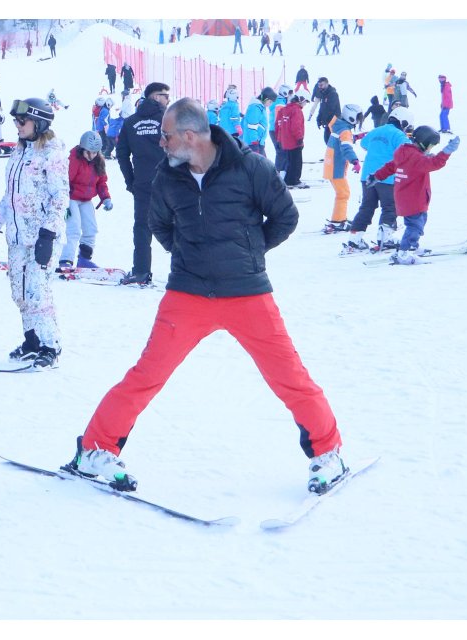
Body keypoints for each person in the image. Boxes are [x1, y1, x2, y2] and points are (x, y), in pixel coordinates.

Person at [65, 97, 348, 497]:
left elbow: (286, 217)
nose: (160, 143)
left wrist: (248, 253)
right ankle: (94, 450)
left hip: (247, 293)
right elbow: (159, 226)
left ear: (190, 135)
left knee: (290, 378)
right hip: (187, 294)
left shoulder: (250, 167)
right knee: (147, 375)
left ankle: (328, 452)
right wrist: (189, 257)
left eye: (166, 135)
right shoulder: (168, 176)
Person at [0, 97, 67, 369]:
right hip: (17, 238)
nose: (17, 125)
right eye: (16, 121)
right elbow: (11, 196)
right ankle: (32, 341)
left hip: (41, 238)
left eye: (22, 121)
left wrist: (48, 234)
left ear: (39, 123)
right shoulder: (19, 152)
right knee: (19, 292)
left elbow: (60, 198)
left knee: (38, 293)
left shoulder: (52, 154)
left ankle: (50, 345)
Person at [368, 127, 460, 264]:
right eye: (431, 146)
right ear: (424, 143)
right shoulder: (416, 158)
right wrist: (448, 150)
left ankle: (412, 246)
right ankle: (405, 252)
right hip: (414, 199)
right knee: (415, 226)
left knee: (418, 222)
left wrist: (376, 176)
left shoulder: (405, 154)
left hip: (408, 198)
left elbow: (390, 167)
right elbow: (434, 163)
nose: (430, 149)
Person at [114, 83, 171, 286]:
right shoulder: (168, 120)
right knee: (181, 225)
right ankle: (187, 272)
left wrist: (131, 180)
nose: (168, 100)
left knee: (142, 228)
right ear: (155, 97)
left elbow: (121, 154)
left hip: (144, 183)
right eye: (165, 96)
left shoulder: (130, 122)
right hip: (171, 183)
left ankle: (140, 272)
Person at [344, 106, 411, 253]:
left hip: (367, 176)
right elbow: (408, 151)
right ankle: (385, 238)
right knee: (390, 207)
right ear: (403, 122)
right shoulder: (399, 135)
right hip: (387, 177)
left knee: (366, 207)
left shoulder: (376, 130)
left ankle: (354, 239)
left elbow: (363, 144)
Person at [62, 131, 113, 270]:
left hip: (86, 200)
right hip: (71, 198)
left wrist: (106, 198)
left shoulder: (98, 162)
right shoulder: (74, 160)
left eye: (95, 153)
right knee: (73, 228)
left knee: (91, 229)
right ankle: (65, 259)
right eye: (89, 152)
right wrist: (63, 203)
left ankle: (84, 259)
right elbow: (64, 181)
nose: (92, 156)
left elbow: (101, 182)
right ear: (82, 149)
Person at [323, 104, 363, 233]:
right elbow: (346, 147)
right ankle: (338, 221)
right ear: (351, 117)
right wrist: (355, 161)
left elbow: (343, 139)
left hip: (332, 165)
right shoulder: (345, 131)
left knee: (342, 193)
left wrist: (355, 137)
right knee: (343, 193)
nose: (358, 121)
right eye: (358, 118)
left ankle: (339, 218)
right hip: (336, 167)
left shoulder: (339, 126)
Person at [277, 89, 310, 187]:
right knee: (297, 162)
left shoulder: (285, 109)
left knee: (290, 161)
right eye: (306, 102)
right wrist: (299, 138)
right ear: (301, 99)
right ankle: (295, 180)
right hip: (294, 141)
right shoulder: (297, 110)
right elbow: (295, 126)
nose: (305, 104)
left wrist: (279, 138)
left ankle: (289, 179)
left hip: (286, 141)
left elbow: (279, 124)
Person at [243, 87, 278, 159]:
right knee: (258, 167)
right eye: (270, 102)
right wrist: (254, 143)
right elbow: (252, 127)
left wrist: (261, 142)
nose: (270, 104)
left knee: (262, 166)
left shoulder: (261, 107)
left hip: (258, 142)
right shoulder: (255, 108)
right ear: (266, 99)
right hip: (253, 144)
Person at [269, 85, 291, 177]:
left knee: (281, 152)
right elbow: (279, 120)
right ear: (285, 93)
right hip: (277, 131)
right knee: (281, 153)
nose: (290, 95)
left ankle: (279, 173)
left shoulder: (279, 101)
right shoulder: (280, 103)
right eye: (289, 93)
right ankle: (278, 174)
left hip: (275, 130)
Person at [314, 78, 341, 143]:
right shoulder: (323, 94)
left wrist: (324, 120)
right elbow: (322, 108)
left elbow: (330, 109)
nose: (320, 87)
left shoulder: (332, 94)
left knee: (332, 143)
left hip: (334, 123)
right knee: (327, 141)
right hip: (328, 123)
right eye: (319, 85)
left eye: (321, 85)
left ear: (327, 84)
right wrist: (319, 118)